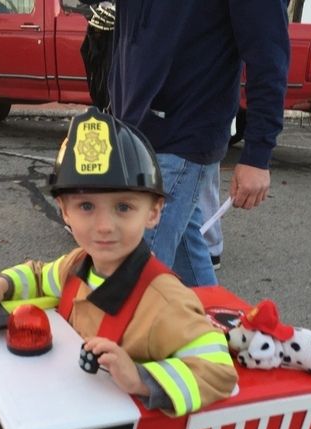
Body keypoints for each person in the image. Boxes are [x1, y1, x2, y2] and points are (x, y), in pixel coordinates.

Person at [0, 105, 237, 429]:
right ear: (64, 211)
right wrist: (2, 283)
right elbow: (38, 275)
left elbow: (218, 369)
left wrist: (141, 378)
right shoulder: (77, 264)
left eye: (123, 207)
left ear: (153, 212)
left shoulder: (165, 301)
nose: (104, 226)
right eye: (86, 207)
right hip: (68, 415)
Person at [108, 0, 290, 287]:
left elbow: (268, 55)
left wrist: (258, 153)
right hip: (132, 130)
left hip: (182, 135)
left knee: (128, 280)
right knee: (189, 265)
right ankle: (215, 328)